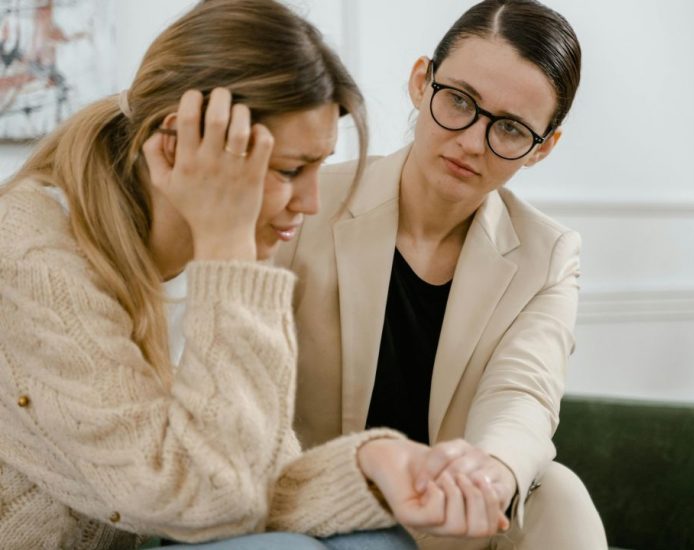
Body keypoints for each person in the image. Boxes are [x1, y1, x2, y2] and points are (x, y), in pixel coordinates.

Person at [0, 1, 510, 548]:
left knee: (382, 537)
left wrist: (373, 460)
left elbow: (251, 466)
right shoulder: (31, 253)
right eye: (291, 171)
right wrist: (229, 255)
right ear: (179, 144)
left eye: (318, 167)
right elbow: (207, 497)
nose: (311, 202)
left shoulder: (212, 252)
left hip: (188, 507)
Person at [275, 0, 608, 548]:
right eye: (459, 101)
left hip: (454, 512)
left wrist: (491, 473)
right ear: (420, 82)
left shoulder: (548, 255)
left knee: (560, 493)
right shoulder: (306, 201)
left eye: (510, 129)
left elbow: (523, 393)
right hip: (319, 498)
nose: (472, 142)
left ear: (543, 148)